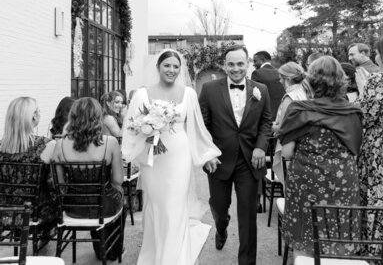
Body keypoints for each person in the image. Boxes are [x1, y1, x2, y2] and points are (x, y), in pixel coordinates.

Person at [121, 49, 221, 265]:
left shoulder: (189, 94)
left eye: (176, 66)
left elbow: (197, 128)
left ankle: (173, 258)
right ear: (158, 67)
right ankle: (154, 254)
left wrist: (207, 155)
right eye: (167, 65)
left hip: (179, 156)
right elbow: (131, 127)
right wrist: (145, 131)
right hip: (153, 158)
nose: (172, 70)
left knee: (174, 205)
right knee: (156, 204)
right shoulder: (142, 94)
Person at [278, 56, 363, 258]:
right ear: (342, 81)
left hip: (307, 184)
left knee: (305, 240)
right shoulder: (353, 113)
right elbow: (356, 150)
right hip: (343, 183)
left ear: (311, 80)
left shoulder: (298, 110)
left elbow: (287, 153)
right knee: (340, 236)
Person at [199, 45, 272, 265]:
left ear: (248, 64)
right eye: (231, 64)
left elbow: (266, 122)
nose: (236, 68)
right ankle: (221, 228)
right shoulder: (210, 89)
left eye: (240, 63)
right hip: (218, 160)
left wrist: (261, 146)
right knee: (219, 207)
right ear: (224, 65)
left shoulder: (262, 89)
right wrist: (208, 153)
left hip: (250, 161)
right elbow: (202, 126)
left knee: (248, 216)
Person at [52, 97, 125, 260]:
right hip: (103, 207)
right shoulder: (110, 143)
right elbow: (118, 180)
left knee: (103, 196)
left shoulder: (59, 144)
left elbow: (61, 184)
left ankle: (101, 245)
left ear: (73, 117)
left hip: (73, 208)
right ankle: (110, 251)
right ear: (98, 117)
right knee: (119, 194)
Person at [356, 33, 383, 256]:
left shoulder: (378, 81)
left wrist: (363, 89)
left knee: (380, 199)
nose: (374, 56)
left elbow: (363, 116)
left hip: (380, 151)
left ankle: (378, 251)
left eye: (377, 52)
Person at [0, 97, 57, 236]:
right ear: (33, 117)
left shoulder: (1, 147)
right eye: (38, 110)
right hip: (37, 213)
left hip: (5, 213)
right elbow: (53, 184)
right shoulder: (47, 145)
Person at [272, 62, 312, 184]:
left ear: (287, 79)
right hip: (308, 147)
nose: (279, 81)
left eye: (281, 78)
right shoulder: (308, 92)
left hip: (292, 149)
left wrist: (272, 126)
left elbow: (283, 127)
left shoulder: (290, 97)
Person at [251, 50, 285, 121]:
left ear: (262, 60)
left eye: (255, 61)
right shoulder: (279, 72)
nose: (253, 64)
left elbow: (255, 98)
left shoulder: (257, 73)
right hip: (281, 115)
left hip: (266, 117)